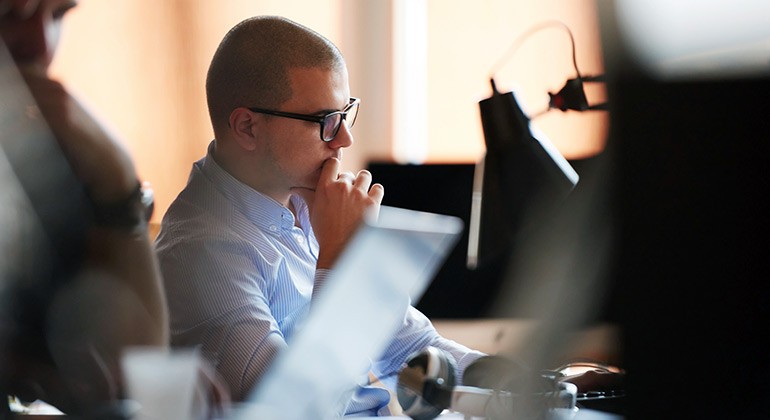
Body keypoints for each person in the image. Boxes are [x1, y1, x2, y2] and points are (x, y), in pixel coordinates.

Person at [155, 15, 485, 416]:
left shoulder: (308, 204)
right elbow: (295, 410)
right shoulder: (201, 253)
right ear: (247, 127)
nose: (345, 138)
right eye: (325, 121)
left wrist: (519, 381)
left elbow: (409, 346)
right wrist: (339, 259)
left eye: (345, 114)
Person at [1, 0, 169, 416]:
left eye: (59, 14)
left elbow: (130, 369)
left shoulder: (37, 171)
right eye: (7, 13)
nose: (42, 45)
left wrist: (118, 181)